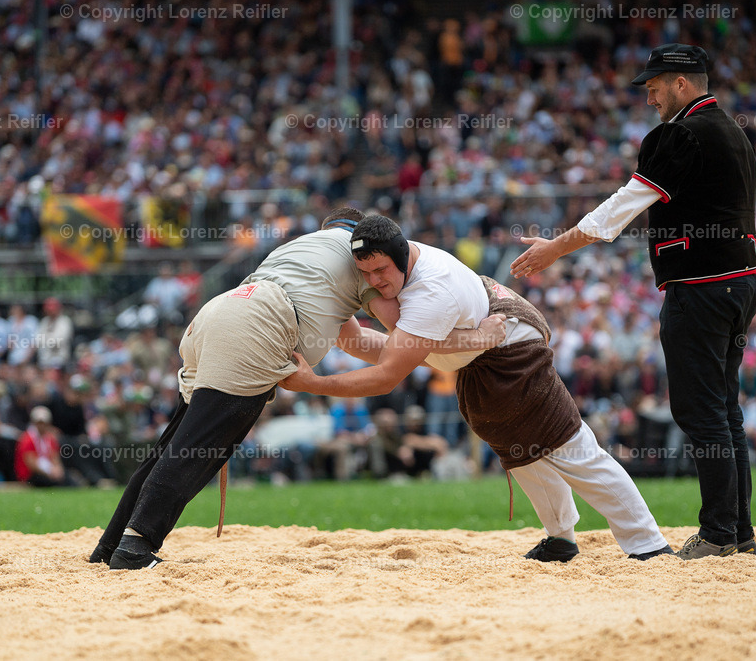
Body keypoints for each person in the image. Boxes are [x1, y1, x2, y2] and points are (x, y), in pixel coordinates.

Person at [91, 208, 504, 570]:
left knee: (176, 440)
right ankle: (136, 544)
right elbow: (405, 337)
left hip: (217, 312)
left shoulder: (305, 247)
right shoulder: (362, 259)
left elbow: (359, 343)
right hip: (259, 326)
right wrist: (476, 338)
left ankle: (111, 544)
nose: (371, 273)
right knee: (201, 447)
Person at [281, 214, 672, 561]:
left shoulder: (429, 291)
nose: (375, 280)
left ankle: (647, 542)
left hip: (510, 344)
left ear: (401, 257)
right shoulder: (391, 279)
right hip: (481, 346)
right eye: (365, 273)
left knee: (569, 445)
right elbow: (367, 344)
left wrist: (312, 383)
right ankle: (561, 538)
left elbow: (388, 373)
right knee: (521, 452)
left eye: (381, 270)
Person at [511, 44, 756, 560]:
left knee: (701, 412)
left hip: (700, 286)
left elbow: (622, 207)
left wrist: (555, 247)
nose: (648, 95)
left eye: (655, 84)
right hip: (740, 282)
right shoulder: (732, 130)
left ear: (683, 83)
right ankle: (739, 531)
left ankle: (718, 534)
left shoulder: (678, 134)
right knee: (726, 410)